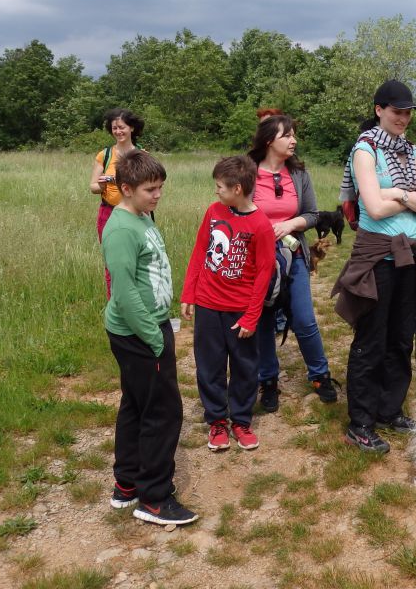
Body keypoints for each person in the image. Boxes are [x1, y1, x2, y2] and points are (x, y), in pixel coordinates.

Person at [333, 80, 416, 453]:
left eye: (408, 112)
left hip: (409, 254)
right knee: (370, 341)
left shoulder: (413, 151)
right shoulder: (365, 150)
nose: (404, 118)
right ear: (379, 110)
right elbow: (373, 210)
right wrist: (411, 199)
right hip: (377, 255)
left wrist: (397, 193)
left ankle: (390, 409)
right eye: (397, 111)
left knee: (400, 337)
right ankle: (360, 421)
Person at [101, 150, 197, 526]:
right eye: (149, 189)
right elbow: (123, 294)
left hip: (148, 328)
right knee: (163, 412)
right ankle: (155, 498)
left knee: (136, 405)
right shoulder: (122, 229)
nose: (157, 195)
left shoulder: (139, 216)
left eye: (160, 188)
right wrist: (154, 339)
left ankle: (126, 485)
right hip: (140, 333)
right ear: (126, 188)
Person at [181, 156, 275, 453]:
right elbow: (200, 251)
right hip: (208, 303)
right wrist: (188, 293)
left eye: (219, 186)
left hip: (240, 309)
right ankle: (217, 421)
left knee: (245, 366)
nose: (215, 191)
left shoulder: (260, 225)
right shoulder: (214, 211)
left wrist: (251, 316)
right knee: (209, 365)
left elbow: (264, 273)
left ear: (237, 188)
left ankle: (242, 420)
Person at [248, 114, 340, 412]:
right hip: (257, 260)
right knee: (262, 320)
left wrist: (290, 225)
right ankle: (268, 381)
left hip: (293, 256)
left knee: (303, 318)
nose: (293, 140)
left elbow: (314, 215)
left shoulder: (298, 173)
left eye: (294, 135)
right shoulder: (247, 172)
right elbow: (234, 210)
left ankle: (319, 375)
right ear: (268, 140)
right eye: (286, 135)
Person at [89, 108, 145, 298]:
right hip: (108, 212)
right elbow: (92, 186)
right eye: (114, 128)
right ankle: (115, 303)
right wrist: (103, 184)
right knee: (112, 261)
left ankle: (137, 301)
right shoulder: (104, 155)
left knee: (137, 258)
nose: (118, 132)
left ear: (132, 129)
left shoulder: (141, 155)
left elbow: (148, 186)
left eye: (122, 127)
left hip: (135, 213)